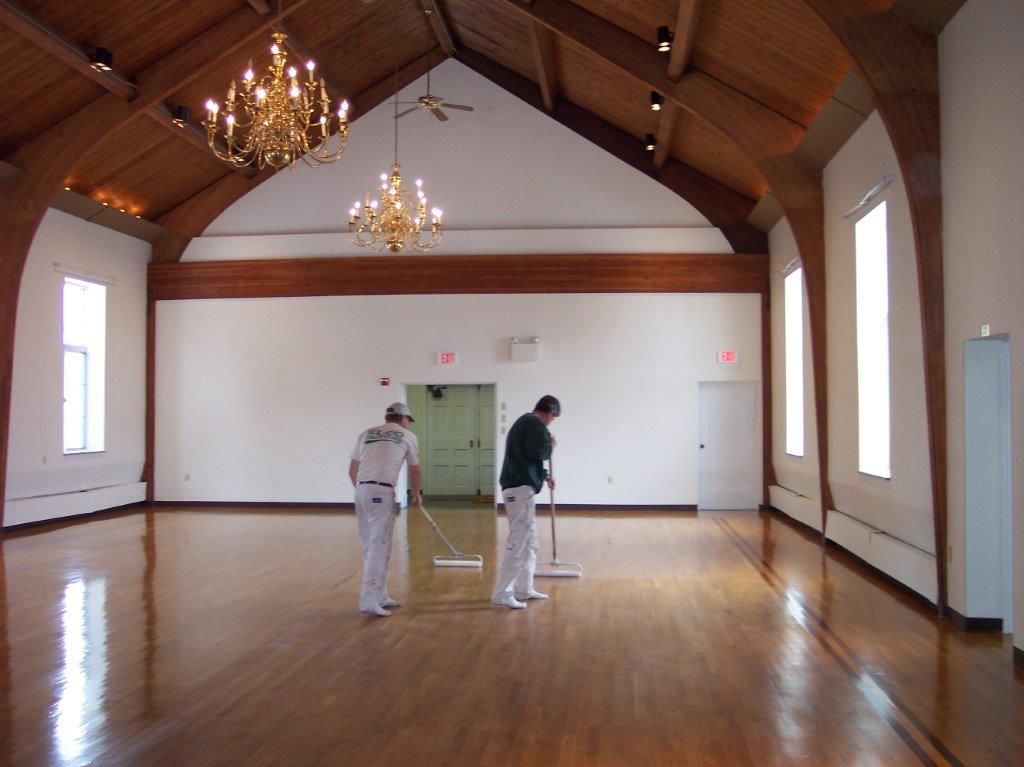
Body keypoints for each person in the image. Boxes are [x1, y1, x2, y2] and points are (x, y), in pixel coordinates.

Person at [349, 402, 422, 617]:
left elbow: (352, 470)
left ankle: (379, 595)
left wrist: (365, 491)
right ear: (403, 418)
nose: (408, 424)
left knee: (369, 545)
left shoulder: (366, 433)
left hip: (361, 490)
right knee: (380, 546)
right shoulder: (408, 436)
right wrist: (416, 493)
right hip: (382, 491)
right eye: (408, 420)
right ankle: (368, 600)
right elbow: (414, 470)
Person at [492, 395, 560, 609]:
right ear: (549, 413)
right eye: (553, 418)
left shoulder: (525, 422)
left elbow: (527, 456)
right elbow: (539, 451)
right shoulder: (534, 423)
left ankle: (524, 588)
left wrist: (545, 474)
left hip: (521, 486)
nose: (551, 422)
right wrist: (551, 445)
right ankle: (502, 593)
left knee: (530, 542)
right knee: (519, 543)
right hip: (519, 489)